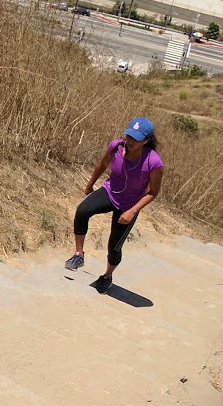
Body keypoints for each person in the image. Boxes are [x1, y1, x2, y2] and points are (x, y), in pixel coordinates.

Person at [65, 117, 164, 292]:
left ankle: (107, 276)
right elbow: (102, 164)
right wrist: (90, 184)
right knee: (82, 210)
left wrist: (133, 211)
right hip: (110, 191)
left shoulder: (153, 162)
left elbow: (153, 192)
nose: (131, 141)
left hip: (130, 204)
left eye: (137, 138)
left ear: (146, 140)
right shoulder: (117, 146)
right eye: (129, 136)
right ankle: (78, 255)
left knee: (114, 246)